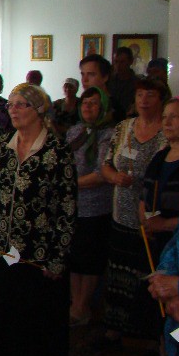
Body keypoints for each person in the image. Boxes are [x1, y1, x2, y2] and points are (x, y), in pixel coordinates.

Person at [0, 83, 76, 356]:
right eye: (11, 104)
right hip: (6, 249)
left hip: (39, 251)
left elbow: (67, 207)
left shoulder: (56, 151)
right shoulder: (2, 145)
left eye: (21, 105)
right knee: (5, 312)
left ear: (39, 110)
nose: (13, 110)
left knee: (36, 316)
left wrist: (58, 257)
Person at [97, 78, 170, 351]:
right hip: (121, 213)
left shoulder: (167, 132)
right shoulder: (124, 127)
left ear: (161, 100)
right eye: (139, 95)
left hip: (151, 216)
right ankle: (114, 329)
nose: (143, 100)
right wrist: (114, 176)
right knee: (118, 273)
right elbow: (106, 164)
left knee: (147, 274)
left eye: (150, 95)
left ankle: (151, 337)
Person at [136, 95, 179, 356]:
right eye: (164, 117)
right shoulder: (160, 157)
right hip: (165, 255)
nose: (167, 122)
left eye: (174, 117)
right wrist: (167, 283)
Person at [66, 87, 114, 326]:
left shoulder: (109, 134)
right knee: (74, 258)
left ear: (103, 107)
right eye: (85, 103)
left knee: (90, 260)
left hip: (95, 207)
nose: (88, 107)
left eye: (94, 103)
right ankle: (75, 302)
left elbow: (101, 174)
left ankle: (83, 305)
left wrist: (71, 183)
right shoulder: (75, 131)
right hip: (72, 206)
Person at [80, 53, 128, 124]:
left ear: (105, 77)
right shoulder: (80, 104)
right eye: (83, 74)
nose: (84, 80)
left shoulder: (115, 108)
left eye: (91, 74)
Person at [108, 46, 141, 118]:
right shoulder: (109, 82)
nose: (118, 65)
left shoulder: (138, 83)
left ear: (130, 62)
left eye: (122, 62)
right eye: (116, 62)